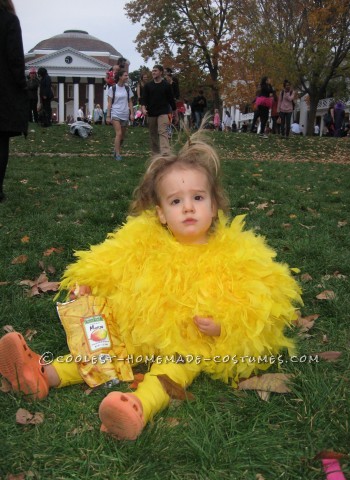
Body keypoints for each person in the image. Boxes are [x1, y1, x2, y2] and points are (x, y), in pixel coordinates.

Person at [0, 126, 302, 441]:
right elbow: (111, 262)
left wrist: (223, 326)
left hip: (189, 341)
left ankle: (137, 406)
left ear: (213, 207)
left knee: (174, 369)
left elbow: (256, 306)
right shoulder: (144, 241)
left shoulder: (238, 254)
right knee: (107, 348)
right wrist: (88, 283)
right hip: (143, 327)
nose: (188, 207)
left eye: (198, 197)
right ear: (160, 214)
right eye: (176, 201)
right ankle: (42, 375)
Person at [0, 0, 28, 202]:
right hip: (3, 93)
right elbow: (15, 58)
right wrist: (21, 84)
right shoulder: (9, 20)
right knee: (1, 142)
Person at [141, 64, 176, 156]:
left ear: (161, 72)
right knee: (153, 133)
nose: (153, 72)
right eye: (153, 71)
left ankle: (165, 152)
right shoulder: (148, 86)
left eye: (155, 70)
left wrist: (175, 112)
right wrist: (143, 108)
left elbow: (171, 100)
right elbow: (144, 99)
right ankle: (155, 153)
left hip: (164, 112)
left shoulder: (166, 85)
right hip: (151, 112)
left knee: (162, 131)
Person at [106, 69, 134, 161]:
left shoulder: (127, 88)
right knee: (119, 133)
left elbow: (130, 101)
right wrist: (108, 116)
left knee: (122, 136)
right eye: (125, 75)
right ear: (120, 77)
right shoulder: (112, 88)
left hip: (125, 113)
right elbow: (109, 103)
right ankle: (118, 154)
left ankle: (116, 149)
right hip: (115, 113)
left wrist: (132, 114)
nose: (127, 77)